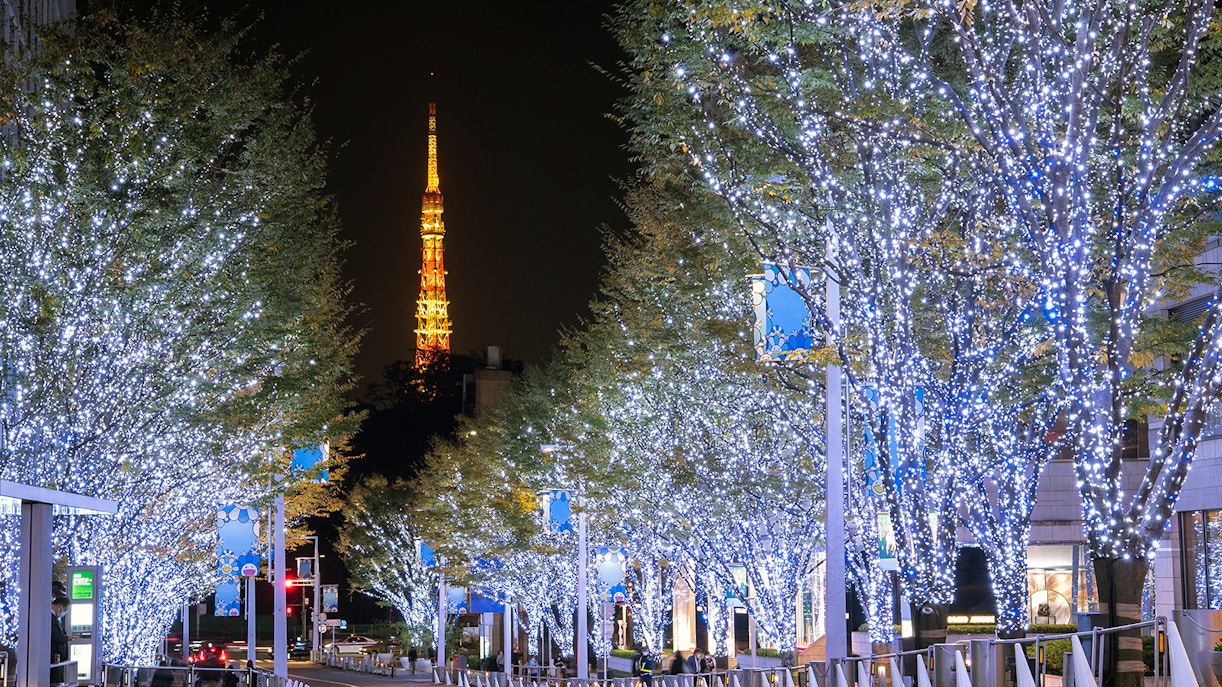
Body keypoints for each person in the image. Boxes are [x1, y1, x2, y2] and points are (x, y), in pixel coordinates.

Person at [50, 597, 70, 684]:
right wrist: (66, 638)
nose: (64, 613)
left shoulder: (54, 618)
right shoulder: (50, 618)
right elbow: (54, 636)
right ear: (59, 606)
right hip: (53, 655)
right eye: (64, 610)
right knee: (54, 680)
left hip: (56, 658)